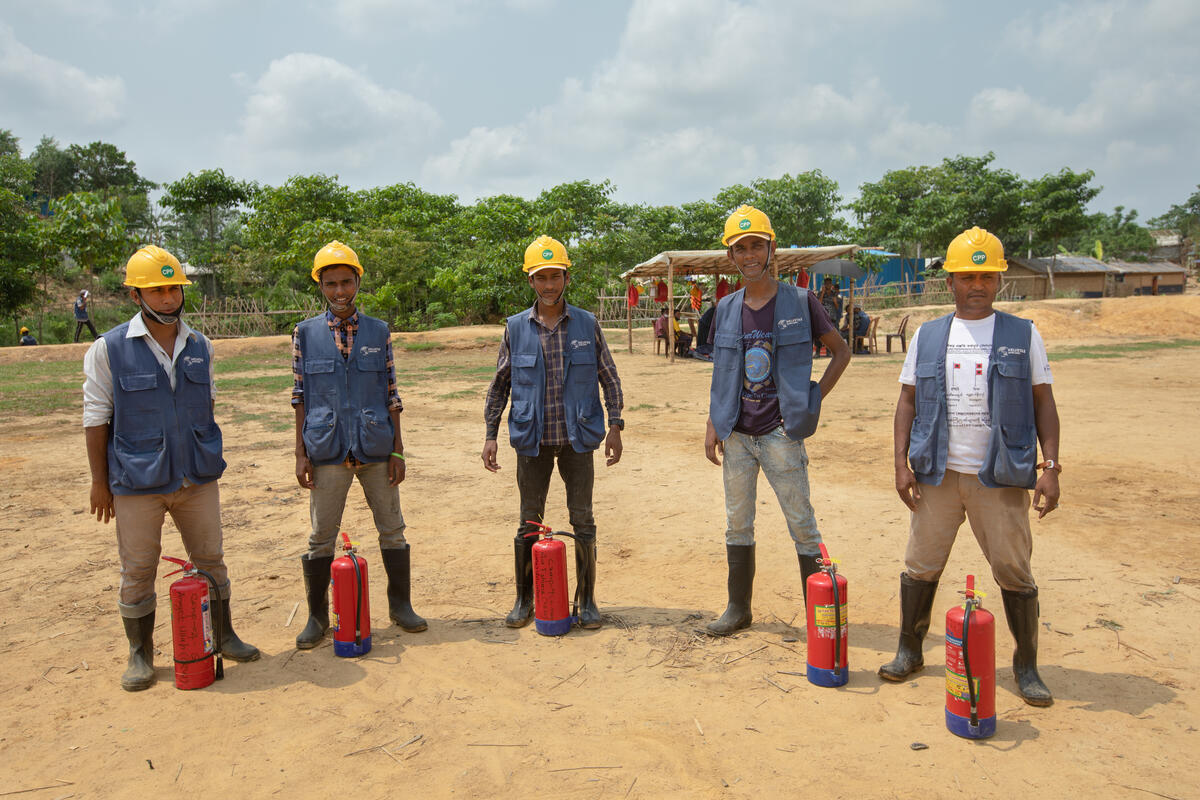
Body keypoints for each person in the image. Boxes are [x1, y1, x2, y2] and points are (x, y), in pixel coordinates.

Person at [880, 226, 1060, 708]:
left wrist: (1051, 467)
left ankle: (1026, 666)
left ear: (999, 280)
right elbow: (907, 401)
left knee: (1013, 570)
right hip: (938, 474)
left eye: (985, 275)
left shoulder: (1023, 334)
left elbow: (1044, 402)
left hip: (998, 476)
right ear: (950, 282)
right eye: (966, 276)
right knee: (921, 564)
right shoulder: (929, 334)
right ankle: (910, 650)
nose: (976, 284)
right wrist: (901, 463)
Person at [82, 245, 259, 691]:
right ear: (135, 297)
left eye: (173, 289)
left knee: (211, 559)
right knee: (139, 568)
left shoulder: (201, 345)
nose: (167, 299)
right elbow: (96, 416)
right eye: (156, 290)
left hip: (196, 477)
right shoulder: (108, 349)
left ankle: (224, 634)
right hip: (137, 481)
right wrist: (99, 483)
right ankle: (140, 654)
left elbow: (207, 403)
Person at [703, 206, 850, 635]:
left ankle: (818, 614)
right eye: (740, 248)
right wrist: (713, 423)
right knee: (737, 522)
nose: (749, 255)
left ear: (771, 249)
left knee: (802, 523)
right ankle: (737, 608)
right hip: (737, 435)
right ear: (731, 257)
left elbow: (841, 352)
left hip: (781, 433)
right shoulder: (725, 308)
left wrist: (812, 398)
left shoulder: (801, 302)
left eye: (756, 246)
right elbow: (721, 371)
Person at [482, 235, 624, 630]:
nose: (549, 284)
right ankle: (525, 599)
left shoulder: (586, 323)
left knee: (584, 519)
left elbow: (608, 376)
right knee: (530, 520)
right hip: (532, 441)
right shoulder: (515, 328)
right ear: (530, 281)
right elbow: (500, 385)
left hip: (579, 438)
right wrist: (490, 434)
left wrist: (615, 424)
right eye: (541, 277)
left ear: (566, 277)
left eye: (555, 276)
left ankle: (588, 600)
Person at [292, 241, 425, 649]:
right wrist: (300, 453)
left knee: (393, 530)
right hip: (327, 449)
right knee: (321, 537)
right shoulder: (305, 333)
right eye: (330, 284)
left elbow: (392, 394)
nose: (339, 292)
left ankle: (400, 606)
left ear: (358, 281)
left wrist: (398, 450)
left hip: (375, 448)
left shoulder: (379, 331)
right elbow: (300, 396)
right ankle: (317, 617)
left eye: (346, 282)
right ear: (320, 286)